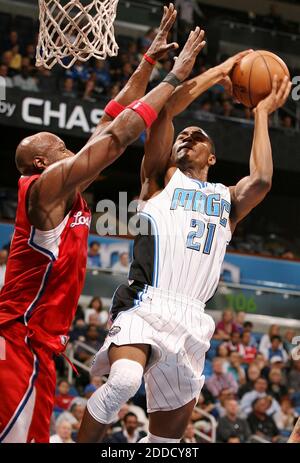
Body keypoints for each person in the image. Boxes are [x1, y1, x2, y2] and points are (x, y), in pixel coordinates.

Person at [78, 12, 291, 446]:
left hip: (193, 317)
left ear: (212, 158)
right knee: (122, 382)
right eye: (183, 136)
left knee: (167, 441)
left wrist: (263, 112)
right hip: (146, 302)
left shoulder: (226, 198)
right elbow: (166, 111)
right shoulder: (159, 177)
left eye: (197, 136)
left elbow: (263, 180)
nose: (187, 136)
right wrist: (220, 72)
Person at [0, 3, 189, 443]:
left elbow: (110, 116)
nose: (74, 148)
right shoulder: (42, 189)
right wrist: (173, 78)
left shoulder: (65, 190)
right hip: (19, 344)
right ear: (43, 161)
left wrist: (147, 60)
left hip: (38, 348)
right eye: (62, 145)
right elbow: (118, 136)